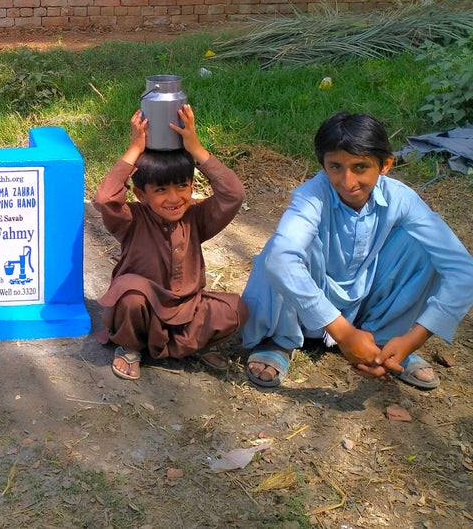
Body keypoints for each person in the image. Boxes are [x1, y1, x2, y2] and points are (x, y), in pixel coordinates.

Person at [242, 111, 473, 390]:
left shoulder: (401, 199)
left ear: (385, 164)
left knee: (423, 248)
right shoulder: (310, 196)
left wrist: (414, 338)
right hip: (308, 301)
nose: (348, 181)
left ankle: (387, 342)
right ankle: (278, 340)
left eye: (360, 167)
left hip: (363, 298)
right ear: (323, 165)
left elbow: (462, 268)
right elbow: (281, 260)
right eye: (335, 166)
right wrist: (344, 333)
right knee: (278, 251)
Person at [94, 105, 247, 380]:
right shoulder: (132, 219)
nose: (174, 198)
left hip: (187, 311)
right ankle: (131, 348)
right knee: (130, 293)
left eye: (182, 186)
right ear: (141, 194)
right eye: (161, 190)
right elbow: (105, 199)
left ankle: (175, 346)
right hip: (143, 311)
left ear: (192, 186)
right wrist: (134, 150)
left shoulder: (197, 217)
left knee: (235, 309)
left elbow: (233, 194)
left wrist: (196, 149)